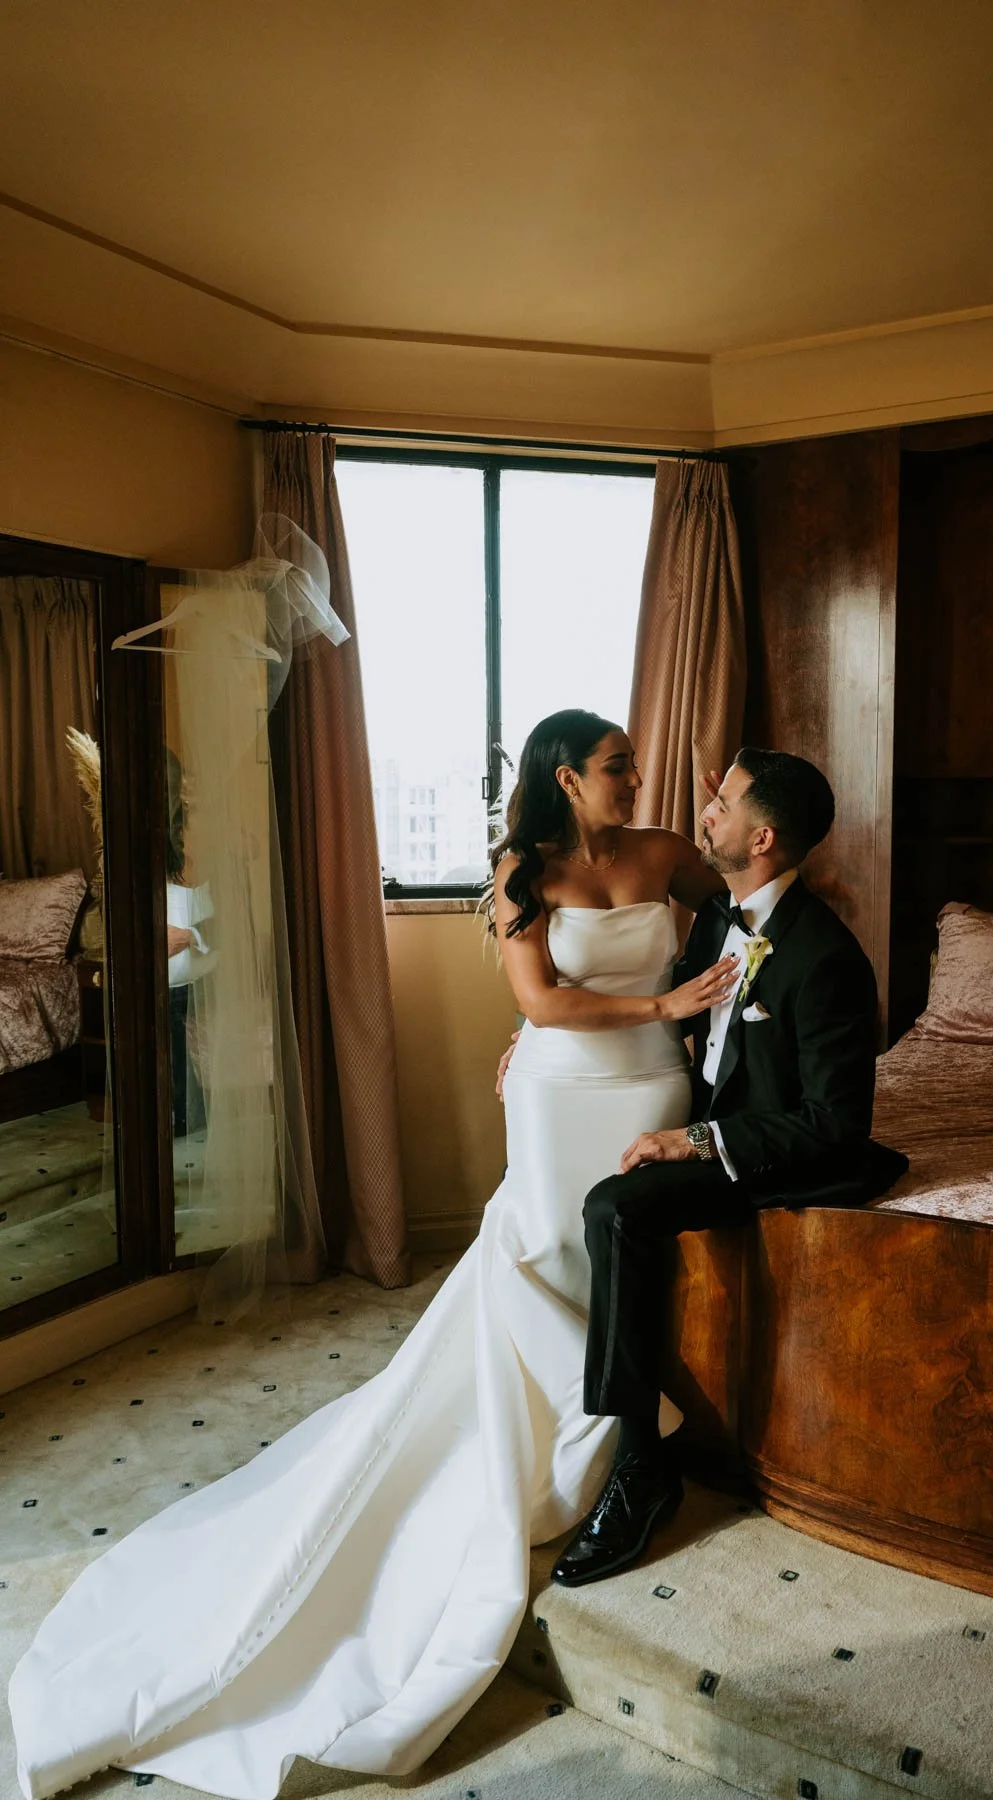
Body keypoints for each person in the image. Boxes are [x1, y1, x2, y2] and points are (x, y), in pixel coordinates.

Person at [9, 708, 738, 1800]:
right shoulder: (517, 868)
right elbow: (539, 997)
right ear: (563, 777)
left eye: (632, 764)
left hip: (652, 1084)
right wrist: (647, 1004)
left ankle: (623, 1431)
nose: (634, 778)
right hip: (561, 1094)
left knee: (631, 1258)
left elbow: (733, 925)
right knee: (546, 1252)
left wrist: (697, 1014)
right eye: (614, 766)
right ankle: (601, 1436)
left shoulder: (668, 852)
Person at [548, 746, 909, 1587]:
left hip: (770, 1146)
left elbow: (835, 1124)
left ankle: (642, 1470)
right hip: (703, 1110)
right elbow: (672, 1002)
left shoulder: (827, 960)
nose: (705, 810)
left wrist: (696, 1142)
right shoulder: (721, 916)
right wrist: (535, 1042)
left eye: (726, 803)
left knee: (616, 1207)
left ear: (764, 838)